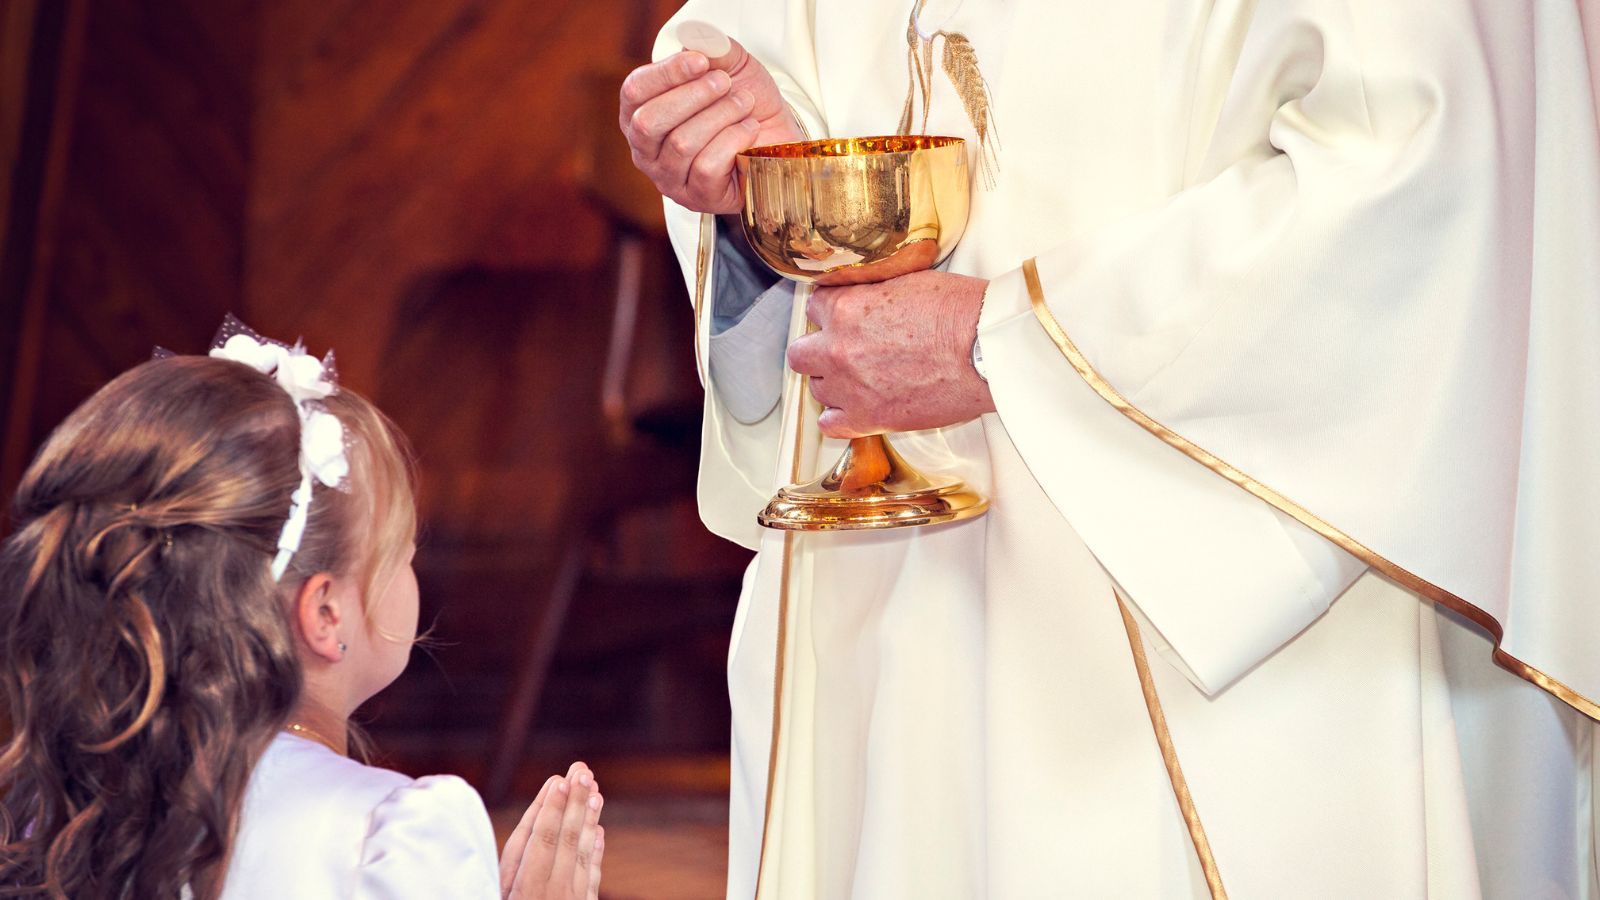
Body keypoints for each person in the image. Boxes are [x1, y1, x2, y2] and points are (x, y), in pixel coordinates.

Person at [621, 1, 1600, 897]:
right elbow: (784, 69)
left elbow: (1429, 177)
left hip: (1242, 612)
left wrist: (1003, 342)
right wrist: (748, 173)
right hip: (889, 605)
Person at [0, 322, 604, 899]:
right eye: (399, 549)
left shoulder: (54, 809)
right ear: (325, 613)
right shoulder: (397, 830)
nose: (413, 561)